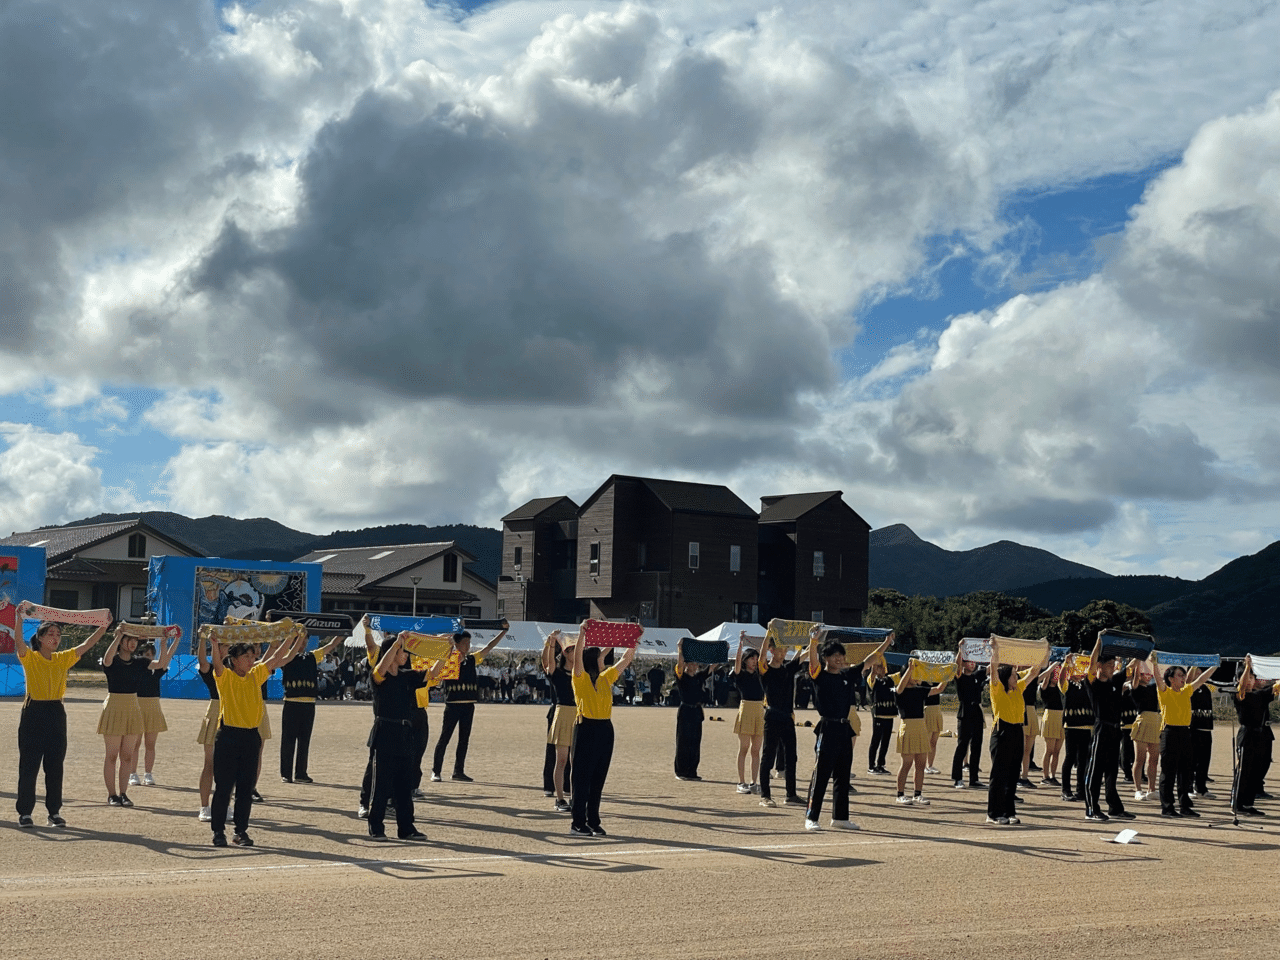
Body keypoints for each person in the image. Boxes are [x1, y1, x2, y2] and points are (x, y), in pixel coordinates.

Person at [13, 602, 107, 827]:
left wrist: (103, 627)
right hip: (34, 712)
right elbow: (18, 641)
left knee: (55, 766)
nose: (55, 638)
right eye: (50, 634)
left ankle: (53, 812)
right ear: (41, 637)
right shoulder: (31, 657)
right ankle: (25, 813)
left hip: (56, 712)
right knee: (30, 765)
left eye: (58, 634)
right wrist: (19, 618)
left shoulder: (62, 658)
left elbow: (86, 645)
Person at [208, 631, 301, 847]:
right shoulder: (226, 677)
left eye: (253, 656)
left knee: (245, 789)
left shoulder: (256, 674)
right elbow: (217, 665)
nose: (252, 660)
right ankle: (218, 831)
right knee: (223, 787)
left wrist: (290, 637)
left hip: (251, 737)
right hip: (228, 736)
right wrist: (214, 645)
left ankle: (241, 831)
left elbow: (276, 657)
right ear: (234, 659)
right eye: (247, 657)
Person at [804, 627, 890, 831]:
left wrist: (886, 643)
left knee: (843, 774)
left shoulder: (847, 674)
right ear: (826, 657)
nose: (839, 659)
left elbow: (869, 661)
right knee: (822, 774)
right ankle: (811, 817)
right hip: (827, 727)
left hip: (845, 728)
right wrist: (814, 641)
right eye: (834, 656)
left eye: (841, 655)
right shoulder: (819, 675)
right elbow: (813, 662)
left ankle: (840, 817)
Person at [569, 630, 640, 837]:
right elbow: (578, 659)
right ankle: (577, 823)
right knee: (582, 778)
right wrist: (582, 633)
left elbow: (627, 659)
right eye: (601, 658)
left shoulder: (605, 679)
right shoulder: (579, 678)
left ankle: (593, 821)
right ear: (592, 661)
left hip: (605, 729)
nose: (605, 662)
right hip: (585, 728)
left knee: (598, 778)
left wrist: (633, 639)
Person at [366, 632, 428, 841]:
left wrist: (445, 652)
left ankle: (406, 828)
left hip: (404, 733)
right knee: (382, 785)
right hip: (384, 732)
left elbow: (431, 674)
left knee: (404, 784)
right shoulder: (378, 675)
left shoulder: (406, 676)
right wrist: (396, 644)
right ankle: (376, 826)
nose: (405, 655)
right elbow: (381, 668)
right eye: (402, 650)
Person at [99, 624, 167, 807]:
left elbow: (161, 664)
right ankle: (112, 794)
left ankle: (123, 793)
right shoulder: (112, 660)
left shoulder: (139, 662)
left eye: (135, 640)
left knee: (127, 756)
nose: (133, 644)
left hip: (132, 707)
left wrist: (167, 641)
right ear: (121, 641)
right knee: (112, 755)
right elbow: (106, 660)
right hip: (114, 706)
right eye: (129, 640)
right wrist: (117, 636)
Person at [431, 622, 509, 783]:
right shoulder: (447, 660)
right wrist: (450, 647)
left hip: (468, 705)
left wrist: (503, 632)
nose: (468, 646)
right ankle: (436, 771)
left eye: (469, 643)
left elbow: (488, 647)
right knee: (445, 737)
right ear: (457, 644)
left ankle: (458, 771)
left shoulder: (473, 660)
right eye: (465, 643)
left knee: (464, 739)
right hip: (452, 704)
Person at [986, 638, 1047, 825]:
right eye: (1013, 675)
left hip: (1016, 732)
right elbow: (994, 668)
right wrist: (995, 650)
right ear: (1006, 678)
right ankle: (993, 814)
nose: (1017, 677)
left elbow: (1035, 671)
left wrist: (1041, 651)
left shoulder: (1018, 689)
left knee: (1013, 774)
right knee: (999, 774)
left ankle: (1008, 811)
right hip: (1001, 732)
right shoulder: (997, 689)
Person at [279, 630, 346, 783]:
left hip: (309, 704)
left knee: (304, 740)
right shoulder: (285, 657)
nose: (302, 643)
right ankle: (286, 773)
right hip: (291, 702)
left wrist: (343, 632)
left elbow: (330, 645)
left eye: (304, 640)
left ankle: (301, 773)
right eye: (299, 640)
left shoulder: (312, 656)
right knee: (288, 740)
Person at [1153, 660, 1216, 818]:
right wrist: (1154, 663)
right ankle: (1167, 807)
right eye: (1180, 675)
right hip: (1169, 732)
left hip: (1185, 733)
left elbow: (1201, 680)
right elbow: (1158, 678)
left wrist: (1215, 664)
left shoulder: (1187, 690)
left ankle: (1185, 805)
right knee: (1168, 772)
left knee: (1186, 772)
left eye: (1184, 675)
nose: (1183, 678)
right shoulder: (1165, 691)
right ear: (1171, 679)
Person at [1083, 633, 1135, 823]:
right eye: (1109, 665)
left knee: (1112, 771)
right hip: (1101, 730)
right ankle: (1091, 809)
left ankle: (1115, 808)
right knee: (1095, 771)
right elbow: (1091, 662)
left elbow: (1131, 668)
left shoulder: (1115, 682)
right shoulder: (1093, 683)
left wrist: (1142, 651)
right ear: (1100, 666)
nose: (1113, 668)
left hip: (1115, 731)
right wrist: (1098, 641)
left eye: (1114, 665)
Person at [758, 637, 807, 807]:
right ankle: (765, 795)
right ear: (772, 650)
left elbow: (805, 655)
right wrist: (768, 634)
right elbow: (761, 658)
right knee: (768, 756)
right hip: (772, 717)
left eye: (785, 650)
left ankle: (791, 794)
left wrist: (814, 641)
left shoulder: (788, 668)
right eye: (779, 650)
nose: (783, 653)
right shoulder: (765, 670)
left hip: (787, 718)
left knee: (791, 757)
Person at [128, 632, 182, 787]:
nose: (150, 657)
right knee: (135, 743)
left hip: (153, 706)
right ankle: (132, 774)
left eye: (152, 654)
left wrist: (172, 641)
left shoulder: (156, 669)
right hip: (136, 705)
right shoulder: (135, 667)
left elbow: (168, 656)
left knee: (150, 744)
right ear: (140, 655)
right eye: (146, 654)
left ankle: (148, 774)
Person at [1233, 656, 1278, 816]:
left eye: (1253, 677)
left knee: (1257, 771)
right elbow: (1242, 686)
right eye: (1249, 677)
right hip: (1247, 734)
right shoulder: (1240, 695)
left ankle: (1248, 803)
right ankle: (1238, 803)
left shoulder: (1261, 695)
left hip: (1260, 735)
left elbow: (1276, 687)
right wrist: (1247, 666)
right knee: (1245, 770)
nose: (1251, 680)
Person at [894, 662, 943, 807]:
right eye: (915, 675)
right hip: (908, 727)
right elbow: (900, 687)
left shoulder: (920, 690)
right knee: (907, 763)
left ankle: (918, 794)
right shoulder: (900, 691)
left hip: (921, 727)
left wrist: (948, 674)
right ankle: (900, 794)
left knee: (921, 764)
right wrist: (910, 669)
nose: (918, 678)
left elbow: (939, 688)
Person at [542, 630, 576, 811]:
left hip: (579, 715)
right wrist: (551, 642)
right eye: (571, 650)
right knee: (561, 760)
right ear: (565, 653)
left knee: (576, 761)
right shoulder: (558, 673)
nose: (575, 653)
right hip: (562, 713)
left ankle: (574, 797)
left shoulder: (581, 673)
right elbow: (548, 662)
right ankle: (560, 799)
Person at [732, 634, 765, 795]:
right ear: (746, 660)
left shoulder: (761, 674)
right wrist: (740, 645)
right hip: (746, 709)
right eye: (751, 658)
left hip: (760, 709)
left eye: (756, 658)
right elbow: (737, 662)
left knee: (756, 750)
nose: (754, 660)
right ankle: (741, 782)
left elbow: (766, 657)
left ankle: (754, 782)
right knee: (744, 748)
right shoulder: (740, 674)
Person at [673, 640, 710, 781]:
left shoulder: (699, 677)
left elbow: (713, 667)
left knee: (695, 741)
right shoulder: (681, 677)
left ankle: (692, 770)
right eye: (691, 663)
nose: (694, 666)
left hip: (697, 712)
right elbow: (680, 664)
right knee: (683, 741)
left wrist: (722, 650)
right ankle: (681, 771)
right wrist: (680, 649)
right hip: (685, 711)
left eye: (696, 664)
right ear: (687, 664)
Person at [951, 648, 988, 789]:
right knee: (962, 746)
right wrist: (961, 649)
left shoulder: (978, 675)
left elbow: (992, 667)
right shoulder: (960, 676)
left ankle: (974, 779)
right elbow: (957, 666)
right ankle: (958, 778)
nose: (972, 664)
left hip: (977, 713)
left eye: (973, 661)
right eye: (969, 661)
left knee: (977, 746)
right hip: (964, 713)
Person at [1058, 663, 1094, 803]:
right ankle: (1065, 790)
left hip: (1086, 726)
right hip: (1071, 726)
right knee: (1070, 757)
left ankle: (1081, 791)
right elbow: (1061, 679)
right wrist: (1066, 664)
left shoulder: (1087, 684)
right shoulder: (1067, 685)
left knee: (1083, 761)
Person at [195, 634, 221, 821]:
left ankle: (225, 804)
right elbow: (202, 661)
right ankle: (204, 806)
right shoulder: (210, 669)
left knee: (230, 767)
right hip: (215, 711)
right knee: (209, 764)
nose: (223, 650)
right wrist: (204, 640)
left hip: (234, 713)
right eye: (220, 647)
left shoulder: (237, 670)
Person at [1127, 660, 1160, 801]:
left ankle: (1151, 789)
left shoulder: (1154, 688)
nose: (1146, 675)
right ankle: (1138, 790)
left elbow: (1160, 681)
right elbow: (1134, 681)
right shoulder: (1134, 688)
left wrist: (1154, 664)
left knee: (1154, 759)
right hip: (1142, 722)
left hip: (1157, 722)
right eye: (1143, 673)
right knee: (1139, 759)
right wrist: (1138, 662)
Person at [866, 649, 898, 775]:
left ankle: (880, 764)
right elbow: (872, 675)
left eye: (883, 667)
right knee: (876, 740)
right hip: (878, 714)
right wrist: (875, 662)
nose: (882, 669)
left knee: (886, 741)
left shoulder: (890, 680)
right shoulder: (872, 679)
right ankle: (871, 765)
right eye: (879, 667)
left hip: (889, 714)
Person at [1037, 664, 1064, 786]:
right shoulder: (1044, 687)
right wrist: (1052, 666)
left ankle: (1053, 775)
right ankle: (1045, 776)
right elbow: (1045, 679)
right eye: (1055, 673)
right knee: (1049, 749)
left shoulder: (1061, 688)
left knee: (1057, 751)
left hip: (1061, 718)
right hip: (1050, 717)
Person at [1190, 669, 1215, 798]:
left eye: (1200, 672)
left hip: (1206, 730)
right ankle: (1188, 788)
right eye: (1196, 671)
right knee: (1191, 761)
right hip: (1193, 730)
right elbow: (1190, 679)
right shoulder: (1188, 688)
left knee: (1204, 761)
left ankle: (1201, 788)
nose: (1199, 674)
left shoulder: (1206, 688)